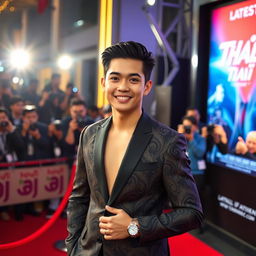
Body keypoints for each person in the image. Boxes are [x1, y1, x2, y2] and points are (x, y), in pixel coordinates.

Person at [66, 41, 203, 256]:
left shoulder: (168, 141)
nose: (122, 87)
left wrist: (134, 227)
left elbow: (192, 213)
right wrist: (73, 247)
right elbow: (79, 198)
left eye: (133, 79)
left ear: (146, 86)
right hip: (88, 250)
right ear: (103, 82)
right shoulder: (89, 134)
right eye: (115, 78)